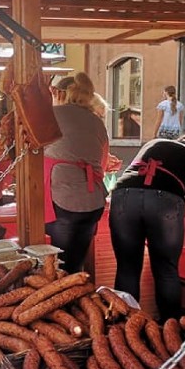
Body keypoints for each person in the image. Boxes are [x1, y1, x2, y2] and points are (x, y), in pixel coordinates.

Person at [109, 130, 185, 321]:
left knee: (127, 267)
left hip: (123, 195)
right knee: (167, 271)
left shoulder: (156, 143)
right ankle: (170, 330)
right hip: (164, 200)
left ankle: (123, 329)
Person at [44, 72, 115, 272]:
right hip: (93, 202)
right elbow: (102, 162)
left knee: (58, 267)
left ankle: (64, 302)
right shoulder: (96, 121)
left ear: (59, 93)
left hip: (63, 200)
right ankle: (76, 300)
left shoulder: (52, 115)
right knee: (75, 265)